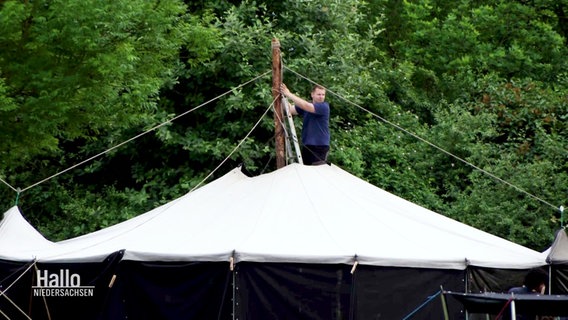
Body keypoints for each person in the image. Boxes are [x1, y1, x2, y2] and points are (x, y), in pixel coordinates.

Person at [280, 83, 330, 165]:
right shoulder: (307, 105)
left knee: (317, 172)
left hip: (320, 146)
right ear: (312, 94)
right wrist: (282, 97)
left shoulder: (324, 107)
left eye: (323, 95)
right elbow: (291, 110)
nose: (321, 97)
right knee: (306, 172)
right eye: (319, 94)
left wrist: (288, 93)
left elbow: (306, 106)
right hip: (307, 145)